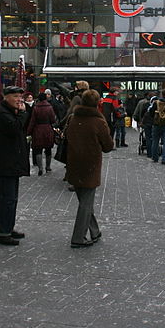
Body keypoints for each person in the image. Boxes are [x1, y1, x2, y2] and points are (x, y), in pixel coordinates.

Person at [65, 89, 114, 248]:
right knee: (86, 203)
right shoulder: (99, 122)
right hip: (90, 165)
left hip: (74, 162)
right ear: (98, 103)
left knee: (85, 200)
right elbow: (108, 146)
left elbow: (67, 136)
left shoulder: (73, 118)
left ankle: (94, 231)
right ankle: (78, 237)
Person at [0, 86, 30, 246]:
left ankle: (8, 227)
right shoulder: (2, 114)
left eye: (21, 97)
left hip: (12, 163)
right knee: (7, 199)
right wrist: (22, 113)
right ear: (6, 97)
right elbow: (14, 129)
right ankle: (3, 233)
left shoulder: (10, 112)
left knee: (11, 199)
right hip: (6, 163)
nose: (19, 100)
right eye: (16, 96)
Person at [27, 92, 57, 175]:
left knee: (38, 149)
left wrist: (28, 132)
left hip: (38, 130)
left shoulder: (36, 108)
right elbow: (53, 120)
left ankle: (40, 168)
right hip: (48, 129)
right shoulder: (50, 107)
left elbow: (32, 121)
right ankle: (48, 167)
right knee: (48, 149)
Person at [150, 89, 165, 164]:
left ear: (161, 94)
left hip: (156, 124)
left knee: (155, 141)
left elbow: (151, 113)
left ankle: (155, 158)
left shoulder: (156, 103)